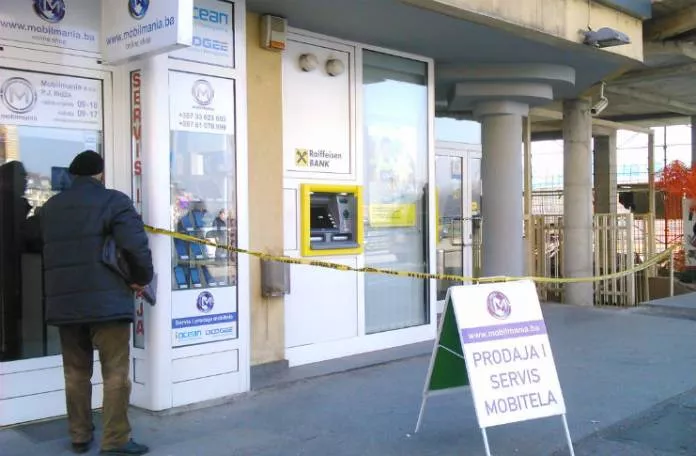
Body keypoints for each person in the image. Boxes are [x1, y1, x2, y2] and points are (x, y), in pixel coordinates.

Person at [39, 151, 153, 455]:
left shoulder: (51, 207)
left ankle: (79, 435)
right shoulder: (114, 201)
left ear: (73, 175)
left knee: (75, 373)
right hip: (108, 303)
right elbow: (135, 245)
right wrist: (142, 278)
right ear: (100, 174)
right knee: (115, 373)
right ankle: (115, 440)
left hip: (66, 304)